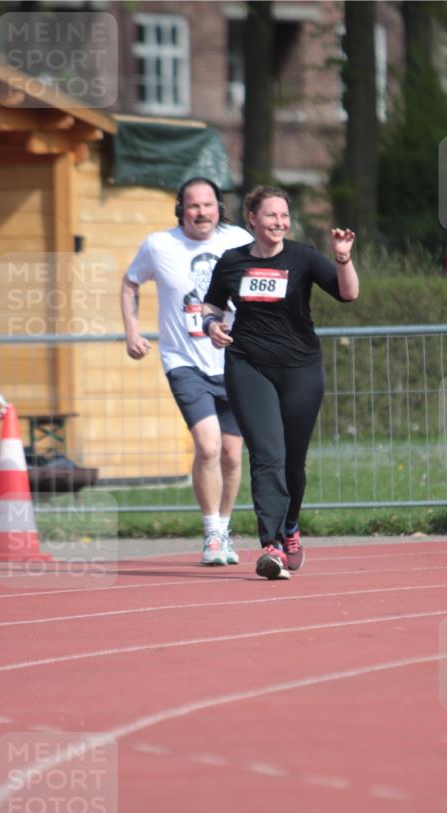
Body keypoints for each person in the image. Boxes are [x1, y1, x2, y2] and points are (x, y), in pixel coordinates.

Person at [202, 185, 359, 580]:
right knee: (267, 454)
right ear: (252, 218)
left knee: (292, 460)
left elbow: (348, 293)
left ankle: (290, 525)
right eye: (271, 215)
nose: (279, 222)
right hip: (248, 365)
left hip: (300, 369)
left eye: (284, 216)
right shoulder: (232, 261)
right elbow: (212, 303)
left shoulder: (303, 257)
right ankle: (270, 544)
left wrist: (342, 259)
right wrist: (211, 325)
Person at [122, 177, 252, 566]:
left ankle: (224, 528)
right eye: (193, 205)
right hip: (184, 361)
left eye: (208, 205)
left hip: (235, 362)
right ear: (181, 209)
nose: (201, 212)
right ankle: (211, 533)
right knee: (208, 446)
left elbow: (267, 280)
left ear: (219, 208)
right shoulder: (159, 245)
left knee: (231, 453)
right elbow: (130, 284)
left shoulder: (238, 240)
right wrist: (132, 331)